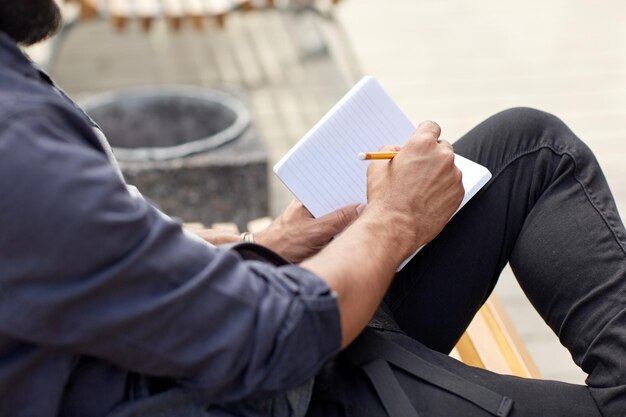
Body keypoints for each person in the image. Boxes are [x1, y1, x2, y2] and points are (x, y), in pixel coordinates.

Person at [1, 1, 625, 416]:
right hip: (268, 386)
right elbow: (270, 335)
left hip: (234, 339)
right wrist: (393, 219)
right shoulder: (17, 143)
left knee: (529, 145)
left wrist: (269, 244)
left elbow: (106, 268)